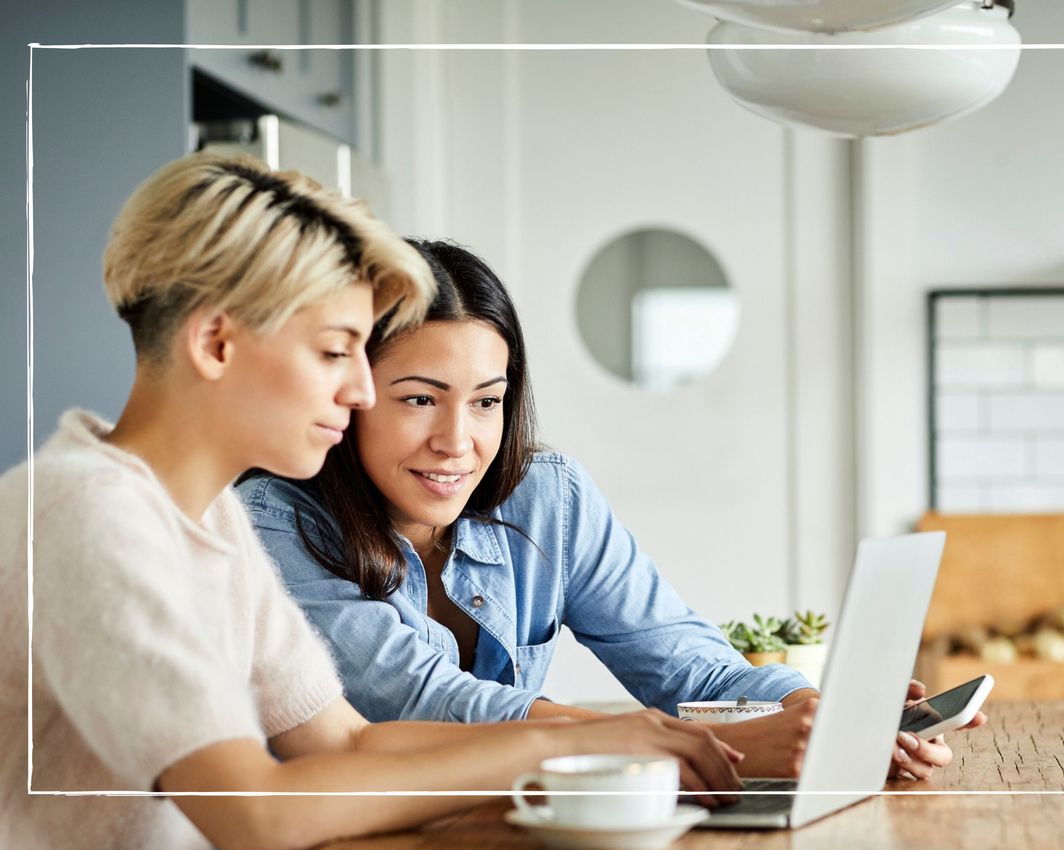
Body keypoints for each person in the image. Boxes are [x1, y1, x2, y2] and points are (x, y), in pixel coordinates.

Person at [0, 154, 741, 850]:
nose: (359, 392)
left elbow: (346, 740)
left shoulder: (204, 516)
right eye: (333, 351)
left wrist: (593, 744)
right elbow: (257, 811)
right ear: (216, 343)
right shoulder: (87, 514)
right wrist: (564, 741)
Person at [239, 238, 978, 781]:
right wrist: (685, 744)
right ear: (355, 394)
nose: (457, 442)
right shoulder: (274, 521)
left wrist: (828, 716)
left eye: (488, 402)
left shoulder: (546, 497)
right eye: (420, 399)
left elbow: (690, 664)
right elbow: (421, 702)